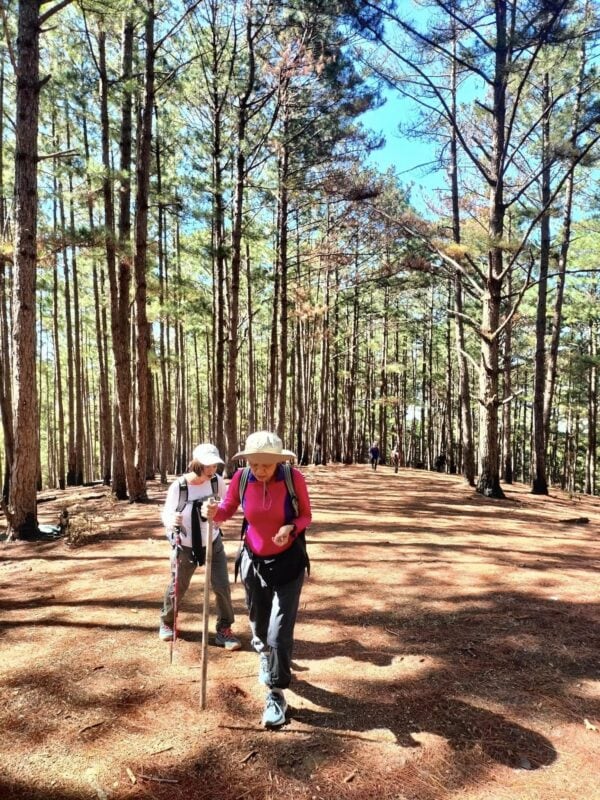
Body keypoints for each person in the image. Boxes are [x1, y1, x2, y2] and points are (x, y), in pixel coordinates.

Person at [204, 431, 312, 729]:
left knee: (280, 632)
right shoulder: (241, 478)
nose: (259, 469)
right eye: (254, 463)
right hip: (253, 561)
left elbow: (306, 516)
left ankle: (276, 692)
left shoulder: (293, 479)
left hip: (289, 563)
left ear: (278, 461)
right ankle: (263, 653)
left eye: (266, 464)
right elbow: (226, 509)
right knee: (259, 623)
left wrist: (291, 526)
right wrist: (214, 512)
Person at [158, 443, 241, 651]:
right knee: (178, 585)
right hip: (185, 544)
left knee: (222, 586)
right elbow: (166, 513)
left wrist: (218, 517)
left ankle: (224, 629)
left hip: (212, 542)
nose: (212, 469)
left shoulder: (217, 482)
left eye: (214, 465)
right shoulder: (179, 486)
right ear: (196, 463)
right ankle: (167, 621)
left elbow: (223, 505)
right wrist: (172, 520)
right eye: (207, 465)